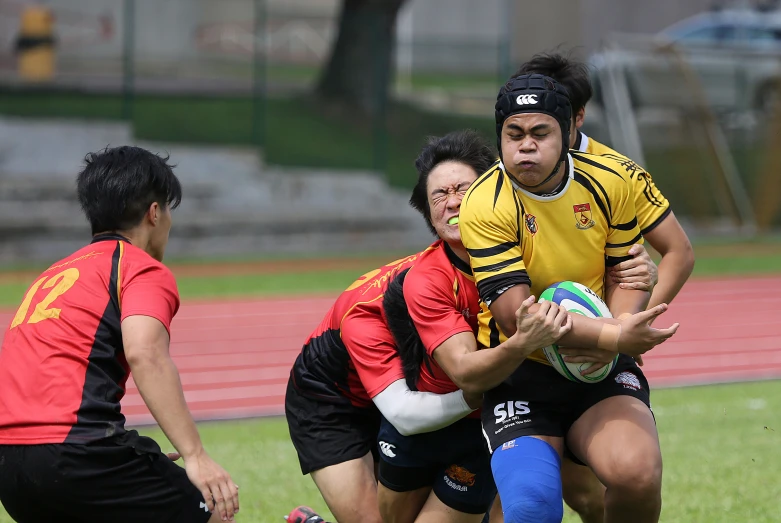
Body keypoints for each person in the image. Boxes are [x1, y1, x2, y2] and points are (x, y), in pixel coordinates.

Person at [374, 130, 677, 523]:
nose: (453, 203)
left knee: (607, 486)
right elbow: (467, 373)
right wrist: (525, 343)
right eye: (439, 195)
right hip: (479, 404)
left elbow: (622, 276)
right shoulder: (428, 279)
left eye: (463, 189)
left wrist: (636, 282)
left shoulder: (547, 231)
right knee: (528, 504)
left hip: (581, 387)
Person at [459, 74, 680, 523]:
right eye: (513, 134)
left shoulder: (611, 180)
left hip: (599, 370)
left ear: (566, 134)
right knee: (532, 507)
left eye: (540, 133)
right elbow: (517, 317)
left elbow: (631, 272)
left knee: (636, 475)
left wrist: (614, 333)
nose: (525, 146)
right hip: (522, 373)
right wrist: (613, 335)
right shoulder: (484, 202)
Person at [0, 146, 238, 523]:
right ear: (154, 213)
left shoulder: (49, 275)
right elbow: (146, 354)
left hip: (10, 465)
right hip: (78, 454)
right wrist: (196, 456)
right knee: (213, 508)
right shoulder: (139, 268)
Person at [516, 51, 695, 523]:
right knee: (553, 495)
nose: (532, 135)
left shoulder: (617, 174)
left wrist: (624, 332)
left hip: (593, 356)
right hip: (522, 349)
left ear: (577, 116)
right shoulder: (508, 171)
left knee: (617, 483)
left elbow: (677, 252)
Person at [284, 242, 569, 523]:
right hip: (331, 400)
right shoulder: (365, 315)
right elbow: (403, 414)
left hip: (407, 390)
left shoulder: (457, 275)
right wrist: (478, 396)